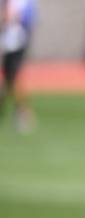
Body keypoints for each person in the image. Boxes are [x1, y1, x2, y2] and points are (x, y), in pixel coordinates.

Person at [0, 0, 36, 132]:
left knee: (12, 77)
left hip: (13, 41)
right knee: (9, 77)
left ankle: (23, 112)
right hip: (10, 40)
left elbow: (12, 15)